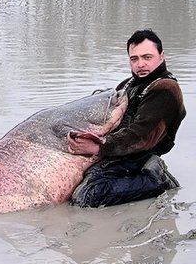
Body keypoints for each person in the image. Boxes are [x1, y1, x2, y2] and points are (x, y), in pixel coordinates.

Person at [67, 29, 186, 208]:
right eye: (134, 59)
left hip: (141, 152)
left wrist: (100, 146)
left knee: (86, 197)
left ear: (161, 56)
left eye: (147, 57)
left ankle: (156, 180)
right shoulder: (128, 83)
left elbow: (141, 136)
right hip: (119, 149)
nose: (140, 64)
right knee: (77, 181)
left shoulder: (165, 89)